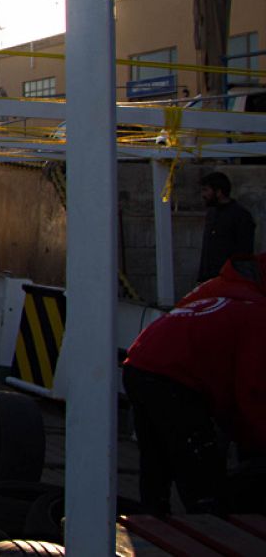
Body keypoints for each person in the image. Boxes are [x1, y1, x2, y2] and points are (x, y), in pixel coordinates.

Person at [122, 253, 266, 514]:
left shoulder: (217, 289)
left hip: (139, 363)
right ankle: (206, 528)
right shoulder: (256, 314)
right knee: (200, 470)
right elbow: (253, 390)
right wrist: (256, 443)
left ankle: (152, 524)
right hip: (174, 379)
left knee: (156, 460)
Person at [198, 171, 255, 283]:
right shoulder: (212, 213)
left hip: (229, 280)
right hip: (210, 279)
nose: (203, 195)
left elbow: (243, 253)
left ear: (218, 192)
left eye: (206, 190)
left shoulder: (240, 215)